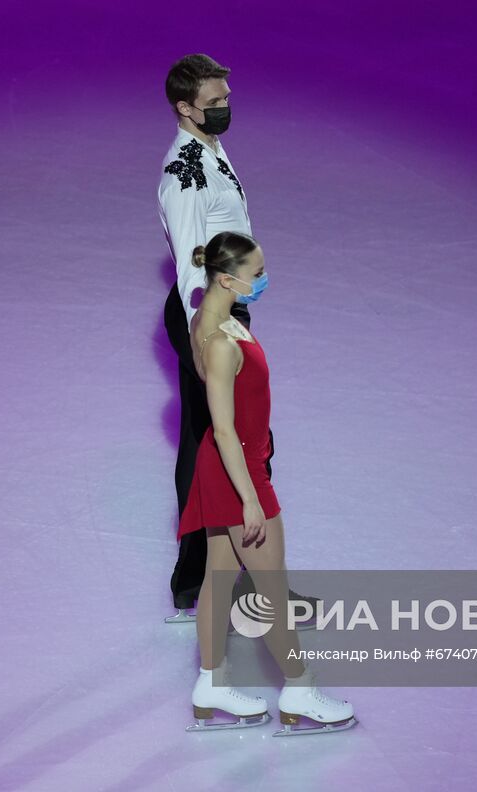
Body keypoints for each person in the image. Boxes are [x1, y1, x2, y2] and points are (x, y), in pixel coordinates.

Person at [158, 53, 317, 623]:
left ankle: (199, 582)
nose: (225, 108)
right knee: (233, 445)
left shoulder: (210, 150)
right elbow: (186, 258)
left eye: (227, 98)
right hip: (207, 314)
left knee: (216, 445)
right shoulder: (183, 172)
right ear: (185, 107)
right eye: (214, 102)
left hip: (225, 307)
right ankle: (232, 583)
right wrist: (209, 331)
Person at [179, 231, 357, 736]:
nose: (263, 281)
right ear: (226, 277)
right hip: (240, 472)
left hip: (231, 467)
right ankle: (300, 691)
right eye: (256, 274)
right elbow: (224, 428)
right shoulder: (217, 344)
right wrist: (250, 500)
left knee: (218, 577)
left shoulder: (216, 318)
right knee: (271, 590)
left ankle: (211, 683)